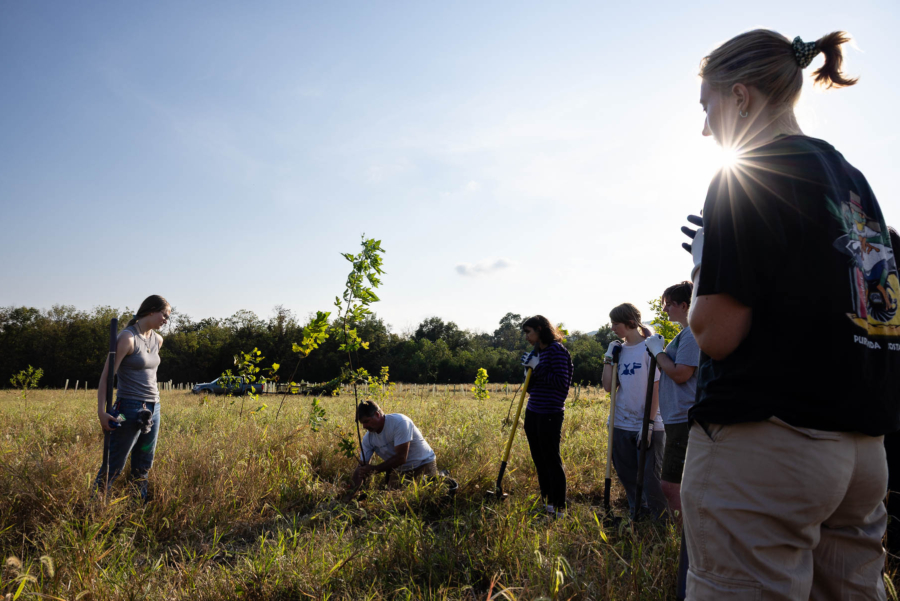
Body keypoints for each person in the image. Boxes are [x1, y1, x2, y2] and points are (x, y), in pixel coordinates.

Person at [681, 29, 900, 599]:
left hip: (770, 444)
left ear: (742, 97)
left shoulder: (744, 173)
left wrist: (703, 269)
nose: (707, 127)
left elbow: (718, 334)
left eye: (708, 106)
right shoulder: (854, 181)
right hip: (861, 452)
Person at [95, 295, 171, 501]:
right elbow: (106, 377)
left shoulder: (158, 340)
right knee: (114, 464)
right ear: (151, 311)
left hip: (154, 409)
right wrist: (102, 412)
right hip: (127, 409)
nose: (166, 320)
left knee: (144, 463)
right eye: (164, 315)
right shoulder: (127, 338)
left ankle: (138, 507)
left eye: (168, 317)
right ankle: (95, 508)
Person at [601, 303, 666, 519]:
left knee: (650, 478)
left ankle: (660, 522)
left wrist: (647, 424)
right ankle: (636, 514)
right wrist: (609, 358)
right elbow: (608, 386)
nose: (612, 328)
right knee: (626, 474)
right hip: (620, 422)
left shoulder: (649, 348)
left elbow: (657, 387)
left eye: (615, 323)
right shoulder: (619, 350)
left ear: (630, 322)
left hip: (647, 423)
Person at [644, 281, 700, 518]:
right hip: (677, 418)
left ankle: (683, 544)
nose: (665, 310)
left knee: (672, 485)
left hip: (684, 418)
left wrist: (658, 352)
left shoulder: (692, 334)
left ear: (685, 305)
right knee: (677, 485)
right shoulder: (685, 334)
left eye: (669, 304)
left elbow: (680, 373)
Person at [520, 315, 574, 517]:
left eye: (529, 331)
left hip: (550, 413)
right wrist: (527, 372)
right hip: (533, 411)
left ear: (540, 329)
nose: (526, 336)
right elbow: (531, 389)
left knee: (551, 460)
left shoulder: (556, 351)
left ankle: (560, 507)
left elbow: (562, 383)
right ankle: (547, 503)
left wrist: (538, 367)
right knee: (539, 460)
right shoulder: (537, 352)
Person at [347, 400, 437, 498]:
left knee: (425, 496)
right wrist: (350, 493)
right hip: (399, 469)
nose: (364, 426)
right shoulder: (368, 439)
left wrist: (375, 469)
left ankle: (440, 474)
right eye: (362, 423)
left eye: (366, 421)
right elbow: (361, 467)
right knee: (391, 499)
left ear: (377, 415)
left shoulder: (400, 422)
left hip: (423, 463)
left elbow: (401, 458)